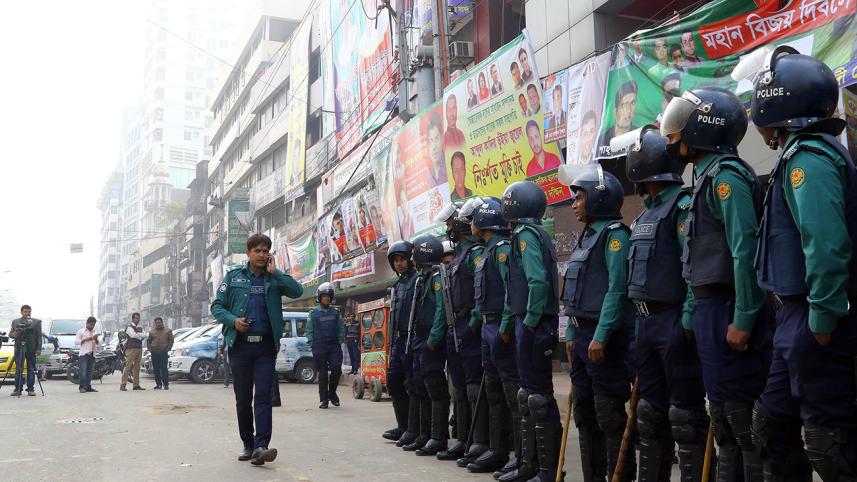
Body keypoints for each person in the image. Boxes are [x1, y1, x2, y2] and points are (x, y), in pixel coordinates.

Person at [751, 47, 857, 481]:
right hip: (794, 317)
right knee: (773, 426)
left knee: (828, 441)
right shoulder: (798, 156)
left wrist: (823, 318)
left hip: (814, 315)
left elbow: (827, 245)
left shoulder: (808, 159)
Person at [661, 87, 770, 480]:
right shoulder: (706, 178)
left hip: (728, 307)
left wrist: (743, 317)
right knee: (722, 417)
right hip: (709, 310)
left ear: (704, 128)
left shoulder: (727, 178)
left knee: (741, 419)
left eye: (679, 129)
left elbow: (744, 250)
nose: (672, 139)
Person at [625, 126, 710, 481]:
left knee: (685, 417)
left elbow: (692, 265)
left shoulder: (682, 206)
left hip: (673, 322)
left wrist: (688, 320)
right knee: (648, 414)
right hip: (647, 325)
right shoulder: (644, 215)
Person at [559, 166, 636, 482]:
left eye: (579, 197)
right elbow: (575, 293)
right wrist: (571, 333)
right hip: (582, 338)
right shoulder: (584, 238)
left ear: (599, 199)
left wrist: (601, 336)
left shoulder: (615, 236)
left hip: (605, 339)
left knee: (609, 414)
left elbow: (617, 290)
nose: (574, 203)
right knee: (585, 415)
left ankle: (620, 476)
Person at [211, 233, 303, 465]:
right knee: (243, 398)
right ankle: (248, 443)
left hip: (265, 348)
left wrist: (277, 273)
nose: (261, 255)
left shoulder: (274, 279)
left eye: (265, 251)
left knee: (263, 396)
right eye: (257, 250)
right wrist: (233, 321)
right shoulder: (233, 277)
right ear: (249, 252)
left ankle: (262, 446)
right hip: (240, 347)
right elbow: (216, 306)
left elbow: (297, 291)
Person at [498, 181, 561, 482]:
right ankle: (530, 465)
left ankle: (548, 470)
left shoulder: (526, 235)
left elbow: (537, 282)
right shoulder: (532, 234)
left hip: (534, 324)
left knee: (538, 398)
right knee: (529, 396)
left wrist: (530, 321)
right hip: (528, 322)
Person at [464, 198, 520, 476]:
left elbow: (511, 291)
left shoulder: (501, 250)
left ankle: (518, 455)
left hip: (500, 328)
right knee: (493, 392)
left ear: (484, 222)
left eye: (473, 219)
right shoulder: (485, 251)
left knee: (512, 394)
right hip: (487, 327)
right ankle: (497, 450)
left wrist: (506, 328)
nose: (470, 224)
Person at [432, 200, 488, 464]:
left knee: (475, 386)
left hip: (469, 326)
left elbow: (480, 292)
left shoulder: (475, 252)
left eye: (451, 223)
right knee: (461, 389)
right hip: (457, 328)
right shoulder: (460, 255)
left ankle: (479, 441)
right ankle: (464, 439)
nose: (449, 228)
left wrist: (475, 323)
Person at [381, 241, 427, 450]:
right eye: (395, 260)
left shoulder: (418, 281)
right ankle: (403, 426)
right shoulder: (398, 286)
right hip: (399, 341)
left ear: (410, 259)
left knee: (413, 384)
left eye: (402, 259)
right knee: (393, 381)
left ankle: (414, 429)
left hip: (413, 338)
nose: (399, 264)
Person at [408, 234, 450, 457]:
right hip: (418, 338)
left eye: (415, 251)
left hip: (430, 340)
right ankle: (424, 434)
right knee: (420, 386)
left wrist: (434, 339)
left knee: (435, 388)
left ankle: (438, 436)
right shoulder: (421, 278)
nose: (411, 256)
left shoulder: (435, 277)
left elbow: (442, 309)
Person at [307, 282, 345, 409]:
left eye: (329, 296)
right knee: (322, 374)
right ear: (319, 297)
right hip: (319, 346)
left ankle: (332, 393)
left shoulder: (336, 313)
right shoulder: (313, 314)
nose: (327, 298)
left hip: (334, 346)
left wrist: (340, 340)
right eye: (324, 296)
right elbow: (309, 330)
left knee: (337, 370)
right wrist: (312, 343)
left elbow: (341, 328)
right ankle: (324, 400)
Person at [9, 305, 42, 397]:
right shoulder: (15, 322)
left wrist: (39, 348)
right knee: (19, 369)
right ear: (21, 312)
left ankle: (30, 389)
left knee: (31, 369)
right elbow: (10, 334)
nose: (27, 313)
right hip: (19, 348)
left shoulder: (36, 322)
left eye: (29, 312)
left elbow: (39, 336)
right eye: (25, 312)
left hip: (31, 348)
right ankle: (17, 389)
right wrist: (14, 334)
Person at [598, 81, 638, 154]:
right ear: (615, 112)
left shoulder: (639, 136)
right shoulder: (602, 140)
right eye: (624, 105)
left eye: (633, 103)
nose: (629, 110)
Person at [121, 312, 147, 391]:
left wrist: (138, 335)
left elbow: (145, 335)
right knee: (128, 366)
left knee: (137, 367)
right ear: (132, 319)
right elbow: (133, 335)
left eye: (138, 318)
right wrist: (140, 335)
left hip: (139, 348)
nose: (137, 319)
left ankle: (136, 385)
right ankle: (123, 385)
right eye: (135, 318)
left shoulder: (140, 327)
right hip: (131, 349)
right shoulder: (129, 327)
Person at [74, 316, 100, 394]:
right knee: (83, 371)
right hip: (84, 354)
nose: (92, 326)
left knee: (89, 372)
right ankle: (82, 387)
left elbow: (98, 343)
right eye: (91, 324)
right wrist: (87, 339)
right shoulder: (81, 331)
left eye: (93, 325)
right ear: (87, 323)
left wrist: (95, 338)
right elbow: (76, 342)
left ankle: (88, 387)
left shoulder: (95, 332)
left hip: (92, 354)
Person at [147, 316, 174, 390]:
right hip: (154, 353)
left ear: (162, 322)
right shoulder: (152, 332)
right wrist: (150, 349)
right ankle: (158, 384)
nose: (158, 324)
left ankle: (166, 384)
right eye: (157, 323)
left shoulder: (168, 331)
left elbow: (171, 341)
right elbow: (148, 341)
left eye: (159, 322)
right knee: (156, 369)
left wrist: (167, 349)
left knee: (164, 368)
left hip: (163, 353)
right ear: (155, 324)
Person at [427, 112, 449, 187]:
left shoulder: (450, 166)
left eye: (436, 139)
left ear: (441, 139)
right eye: (431, 140)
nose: (434, 146)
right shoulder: (429, 177)